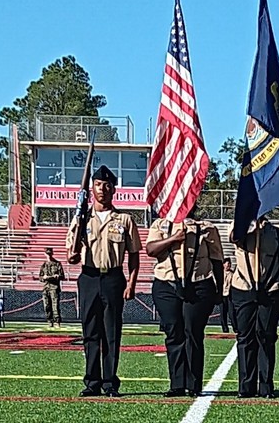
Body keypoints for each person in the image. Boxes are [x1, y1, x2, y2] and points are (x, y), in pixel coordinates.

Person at [67, 165, 141, 397]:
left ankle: (110, 382)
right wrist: (73, 254)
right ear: (92, 189)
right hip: (88, 277)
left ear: (114, 190)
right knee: (90, 332)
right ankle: (92, 382)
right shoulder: (81, 218)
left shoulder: (125, 219)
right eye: (99, 185)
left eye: (108, 186)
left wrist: (131, 283)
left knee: (111, 332)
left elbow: (134, 254)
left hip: (113, 277)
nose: (103, 189)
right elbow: (71, 253)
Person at [147, 204, 224, 397]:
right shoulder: (160, 225)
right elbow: (151, 249)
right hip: (167, 284)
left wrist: (220, 289)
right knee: (174, 333)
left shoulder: (206, 228)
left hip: (199, 284)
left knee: (193, 333)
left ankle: (194, 384)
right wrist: (174, 239)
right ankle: (177, 383)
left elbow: (217, 260)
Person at [231, 216, 279, 398]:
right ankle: (246, 386)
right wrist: (250, 225)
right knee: (245, 338)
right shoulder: (238, 225)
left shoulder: (277, 234)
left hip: (271, 288)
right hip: (243, 287)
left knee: (266, 336)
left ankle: (266, 385)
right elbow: (235, 237)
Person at [37, 246, 66, 327]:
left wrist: (56, 276)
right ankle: (49, 321)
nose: (49, 255)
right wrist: (44, 278)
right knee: (46, 305)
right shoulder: (44, 265)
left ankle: (57, 321)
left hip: (54, 287)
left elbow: (62, 276)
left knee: (55, 305)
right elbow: (40, 277)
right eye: (47, 254)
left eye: (50, 254)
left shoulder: (57, 264)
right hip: (46, 287)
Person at [219, 258, 235, 333]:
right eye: (227, 264)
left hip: (229, 295)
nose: (228, 266)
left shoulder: (232, 274)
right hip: (222, 295)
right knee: (223, 313)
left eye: (229, 264)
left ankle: (235, 328)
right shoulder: (220, 273)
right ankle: (225, 329)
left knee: (232, 313)